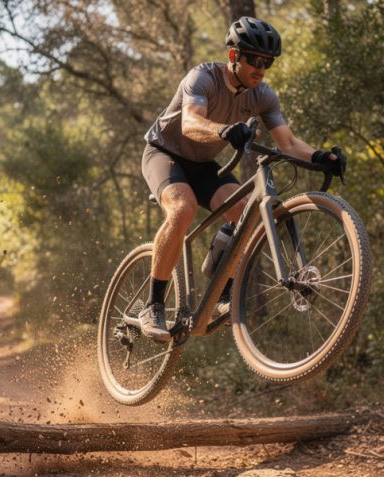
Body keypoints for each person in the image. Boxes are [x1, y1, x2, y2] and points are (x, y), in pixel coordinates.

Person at [138, 16, 346, 342]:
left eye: (268, 63)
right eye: (255, 60)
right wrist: (222, 130)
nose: (261, 68)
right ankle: (153, 305)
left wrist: (320, 157)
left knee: (248, 213)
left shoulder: (263, 96)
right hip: (164, 153)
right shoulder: (202, 77)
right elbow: (190, 123)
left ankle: (224, 291)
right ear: (234, 56)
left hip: (204, 163)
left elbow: (288, 144)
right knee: (182, 208)